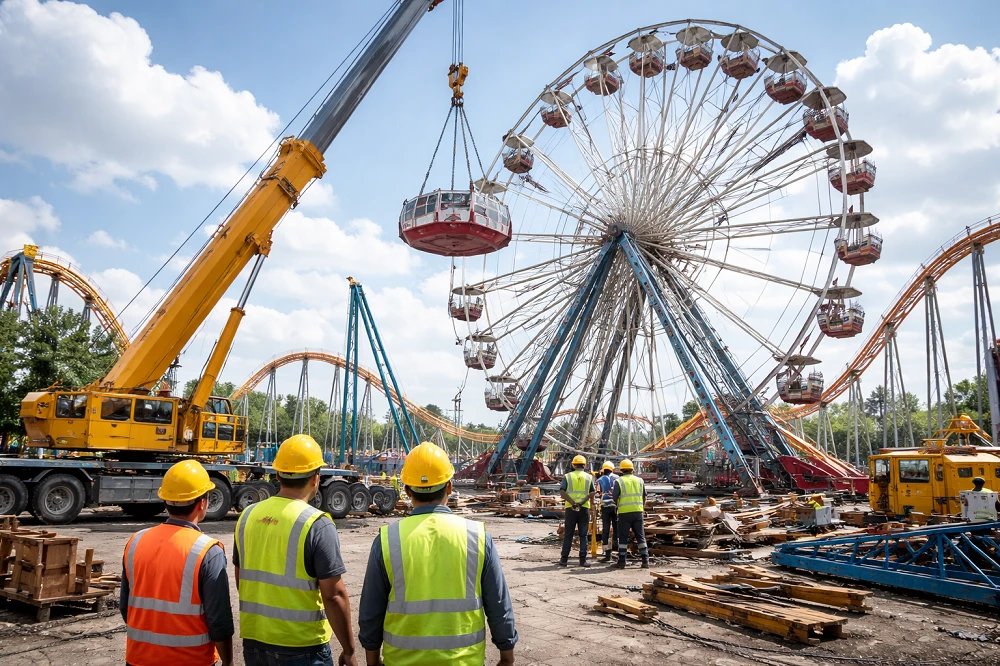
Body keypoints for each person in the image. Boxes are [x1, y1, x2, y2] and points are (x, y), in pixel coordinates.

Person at [358, 441, 517, 665]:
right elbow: (499, 605)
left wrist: (372, 659)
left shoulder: (387, 540)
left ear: (406, 489)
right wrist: (507, 655)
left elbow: (371, 610)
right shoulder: (477, 537)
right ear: (450, 487)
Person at [235, 434, 358, 666]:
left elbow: (242, 578)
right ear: (315, 478)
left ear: (278, 475)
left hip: (255, 641)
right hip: (302, 647)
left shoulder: (248, 516)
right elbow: (334, 595)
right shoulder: (316, 523)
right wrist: (349, 650)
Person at [121, 459, 234, 666]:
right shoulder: (208, 551)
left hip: (139, 658)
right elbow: (219, 621)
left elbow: (125, 607)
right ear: (202, 503)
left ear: (165, 501)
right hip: (192, 660)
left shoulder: (135, 542)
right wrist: (228, 661)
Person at [558, 455, 596, 568]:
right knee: (583, 535)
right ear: (585, 465)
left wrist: (573, 502)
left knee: (568, 534)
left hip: (571, 509)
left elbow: (562, 492)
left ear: (573, 465)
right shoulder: (589, 477)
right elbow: (592, 493)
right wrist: (586, 502)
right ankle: (582, 560)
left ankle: (564, 560)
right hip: (584, 509)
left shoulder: (567, 476)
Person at [613, 459, 648, 569]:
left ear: (622, 470)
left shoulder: (619, 481)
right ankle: (645, 561)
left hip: (624, 513)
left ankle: (622, 561)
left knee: (623, 537)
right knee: (640, 536)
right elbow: (644, 496)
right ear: (632, 469)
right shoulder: (640, 480)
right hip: (638, 511)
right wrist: (641, 507)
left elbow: (615, 496)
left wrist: (618, 505)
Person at [595, 461, 620, 563]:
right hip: (615, 506)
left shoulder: (600, 480)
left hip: (605, 507)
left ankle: (607, 554)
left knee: (606, 529)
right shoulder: (618, 478)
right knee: (616, 528)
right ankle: (618, 550)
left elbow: (599, 493)